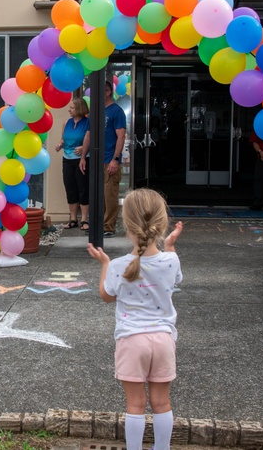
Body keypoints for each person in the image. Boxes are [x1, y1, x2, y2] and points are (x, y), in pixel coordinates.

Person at [87, 188, 184, 450]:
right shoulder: (171, 261)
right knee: (162, 403)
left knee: (135, 405)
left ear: (126, 225)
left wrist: (105, 264)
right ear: (161, 225)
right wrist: (171, 247)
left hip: (132, 340)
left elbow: (107, 296)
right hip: (163, 340)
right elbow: (174, 278)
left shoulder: (119, 265)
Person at [80, 81, 127, 237]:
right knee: (96, 194)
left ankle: (108, 227)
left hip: (109, 159)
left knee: (109, 195)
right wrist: (83, 157)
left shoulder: (117, 111)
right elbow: (88, 135)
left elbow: (121, 136)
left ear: (107, 92)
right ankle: (97, 225)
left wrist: (115, 159)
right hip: (95, 160)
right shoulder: (95, 112)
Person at [56, 98, 90, 230]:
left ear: (80, 109)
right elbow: (63, 138)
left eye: (72, 108)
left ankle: (85, 220)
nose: (69, 110)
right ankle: (73, 219)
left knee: (83, 188)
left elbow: (91, 139)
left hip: (82, 159)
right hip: (67, 159)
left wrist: (83, 148)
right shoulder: (67, 122)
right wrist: (60, 144)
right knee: (70, 188)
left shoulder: (88, 122)